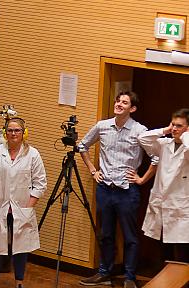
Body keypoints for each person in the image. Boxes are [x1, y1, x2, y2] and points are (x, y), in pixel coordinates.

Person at [78, 91, 157, 288]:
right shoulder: (103, 126)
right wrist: (93, 170)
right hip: (105, 189)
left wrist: (142, 179)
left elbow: (156, 157)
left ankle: (130, 277)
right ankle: (104, 273)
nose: (119, 104)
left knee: (130, 236)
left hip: (127, 191)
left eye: (124, 102)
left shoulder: (140, 130)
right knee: (106, 234)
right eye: (118, 101)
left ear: (132, 108)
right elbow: (82, 146)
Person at [0, 118, 47, 288]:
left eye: (17, 130)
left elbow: (40, 183)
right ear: (5, 133)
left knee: (21, 247)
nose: (13, 134)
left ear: (24, 133)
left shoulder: (33, 154)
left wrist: (28, 207)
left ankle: (19, 282)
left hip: (22, 208)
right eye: (10, 130)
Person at [137, 108, 189, 263]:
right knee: (164, 252)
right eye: (173, 124)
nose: (174, 128)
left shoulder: (187, 147)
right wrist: (165, 130)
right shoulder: (164, 144)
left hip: (180, 206)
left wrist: (186, 136)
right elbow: (142, 139)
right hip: (162, 204)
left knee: (182, 254)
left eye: (179, 126)